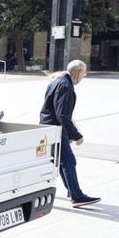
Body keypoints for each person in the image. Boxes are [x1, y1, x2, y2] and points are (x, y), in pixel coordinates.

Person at [40, 60, 100, 208]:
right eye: (84, 74)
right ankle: (77, 196)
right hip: (56, 129)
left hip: (49, 127)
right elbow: (62, 114)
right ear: (78, 72)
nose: (83, 77)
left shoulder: (57, 81)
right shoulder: (65, 86)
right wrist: (76, 135)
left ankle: (72, 191)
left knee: (63, 162)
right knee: (69, 162)